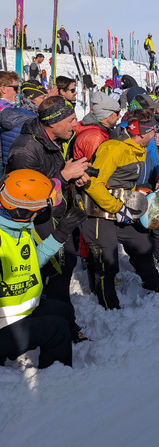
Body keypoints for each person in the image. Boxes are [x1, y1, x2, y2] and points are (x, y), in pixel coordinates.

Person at [6, 96, 91, 339]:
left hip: (54, 214)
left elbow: (49, 175)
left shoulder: (53, 140)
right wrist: (64, 176)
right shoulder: (25, 149)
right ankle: (61, 329)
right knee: (56, 272)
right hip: (36, 221)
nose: (75, 125)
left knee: (61, 270)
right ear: (53, 122)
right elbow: (23, 196)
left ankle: (56, 324)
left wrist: (73, 176)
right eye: (71, 120)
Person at [81, 108, 159, 309]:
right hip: (99, 214)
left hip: (122, 210)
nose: (156, 135)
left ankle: (155, 287)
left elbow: (120, 182)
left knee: (143, 248)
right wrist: (117, 207)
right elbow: (93, 184)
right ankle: (108, 307)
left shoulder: (135, 150)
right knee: (107, 262)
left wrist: (138, 192)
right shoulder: (114, 148)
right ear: (143, 133)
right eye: (153, 131)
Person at [0, 170, 86, 369]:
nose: (40, 214)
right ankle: (57, 384)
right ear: (21, 211)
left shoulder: (18, 228)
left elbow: (31, 262)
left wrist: (61, 233)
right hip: (5, 323)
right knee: (57, 330)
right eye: (38, 210)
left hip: (19, 313)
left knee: (64, 310)